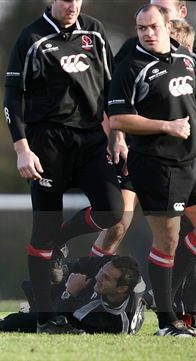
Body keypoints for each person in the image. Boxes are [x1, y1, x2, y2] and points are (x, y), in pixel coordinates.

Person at [3, 0, 124, 333]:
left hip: (91, 141)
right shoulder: (31, 38)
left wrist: (119, 136)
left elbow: (113, 91)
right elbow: (12, 101)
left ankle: (62, 237)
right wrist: (23, 150)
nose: (71, 4)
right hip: (47, 144)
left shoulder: (95, 33)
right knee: (42, 232)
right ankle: (45, 318)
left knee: (113, 211)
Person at [107, 4, 196, 336]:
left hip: (190, 163)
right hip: (158, 165)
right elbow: (118, 118)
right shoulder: (132, 67)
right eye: (141, 28)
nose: (147, 32)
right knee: (168, 241)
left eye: (153, 26)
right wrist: (167, 126)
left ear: (168, 25)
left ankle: (170, 298)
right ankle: (167, 321)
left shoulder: (187, 59)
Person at [0, 256, 146, 334]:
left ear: (121, 289)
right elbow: (86, 264)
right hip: (79, 293)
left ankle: (31, 310)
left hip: (73, 304)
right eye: (102, 271)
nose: (99, 277)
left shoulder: (103, 319)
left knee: (10, 323)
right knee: (34, 281)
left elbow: (56, 320)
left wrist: (69, 292)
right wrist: (64, 270)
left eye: (106, 278)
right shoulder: (132, 278)